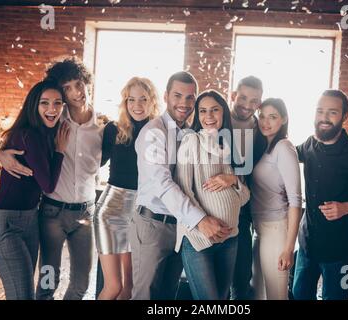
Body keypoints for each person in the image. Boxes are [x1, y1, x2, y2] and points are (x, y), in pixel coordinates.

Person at [0, 57, 104, 300]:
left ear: (87, 83)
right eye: (67, 88)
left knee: (81, 284)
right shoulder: (52, 119)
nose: (77, 93)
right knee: (48, 282)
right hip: (51, 216)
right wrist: (0, 154)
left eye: (79, 84)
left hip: (86, 216)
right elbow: (21, 136)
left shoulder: (104, 128)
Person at [131, 71, 231, 300]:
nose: (184, 103)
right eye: (178, 96)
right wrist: (200, 220)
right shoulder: (153, 132)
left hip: (181, 227)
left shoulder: (191, 133)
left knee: (167, 296)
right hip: (153, 225)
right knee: (145, 296)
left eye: (190, 98)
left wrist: (231, 180)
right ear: (166, 96)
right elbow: (162, 184)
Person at [292, 89, 348, 300]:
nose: (324, 117)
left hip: (342, 252)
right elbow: (286, 153)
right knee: (298, 295)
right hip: (306, 245)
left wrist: (347, 207)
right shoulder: (308, 144)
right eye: (320, 111)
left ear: (344, 116)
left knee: (340, 297)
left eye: (332, 112)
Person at [0, 80, 69, 299]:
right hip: (6, 224)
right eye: (45, 103)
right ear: (34, 105)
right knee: (21, 295)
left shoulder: (44, 134)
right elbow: (48, 185)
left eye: (58, 103)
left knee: (24, 293)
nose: (52, 109)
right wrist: (60, 151)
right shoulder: (28, 135)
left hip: (30, 220)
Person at [175, 89, 250, 300]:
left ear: (224, 113)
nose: (208, 116)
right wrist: (203, 223)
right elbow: (184, 190)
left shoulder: (231, 146)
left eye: (214, 110)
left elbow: (245, 197)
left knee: (222, 299)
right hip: (199, 237)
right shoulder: (192, 142)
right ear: (197, 116)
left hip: (230, 238)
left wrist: (233, 180)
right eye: (203, 111)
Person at [94, 77, 159, 300]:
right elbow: (91, 163)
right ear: (125, 101)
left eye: (143, 99)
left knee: (128, 289)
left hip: (140, 212)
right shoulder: (113, 129)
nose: (137, 105)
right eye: (131, 99)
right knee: (113, 287)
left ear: (153, 101)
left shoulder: (158, 131)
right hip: (111, 209)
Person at [250, 98, 302, 300]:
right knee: (259, 293)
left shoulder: (284, 147)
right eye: (262, 116)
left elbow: (295, 201)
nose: (266, 122)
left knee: (276, 296)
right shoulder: (264, 147)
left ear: (284, 119)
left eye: (273, 117)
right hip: (259, 229)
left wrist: (289, 248)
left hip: (277, 230)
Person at [229, 76, 263, 300]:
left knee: (241, 275)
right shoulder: (217, 119)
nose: (247, 105)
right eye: (243, 98)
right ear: (233, 95)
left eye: (254, 100)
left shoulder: (262, 129)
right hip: (212, 206)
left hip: (243, 210)